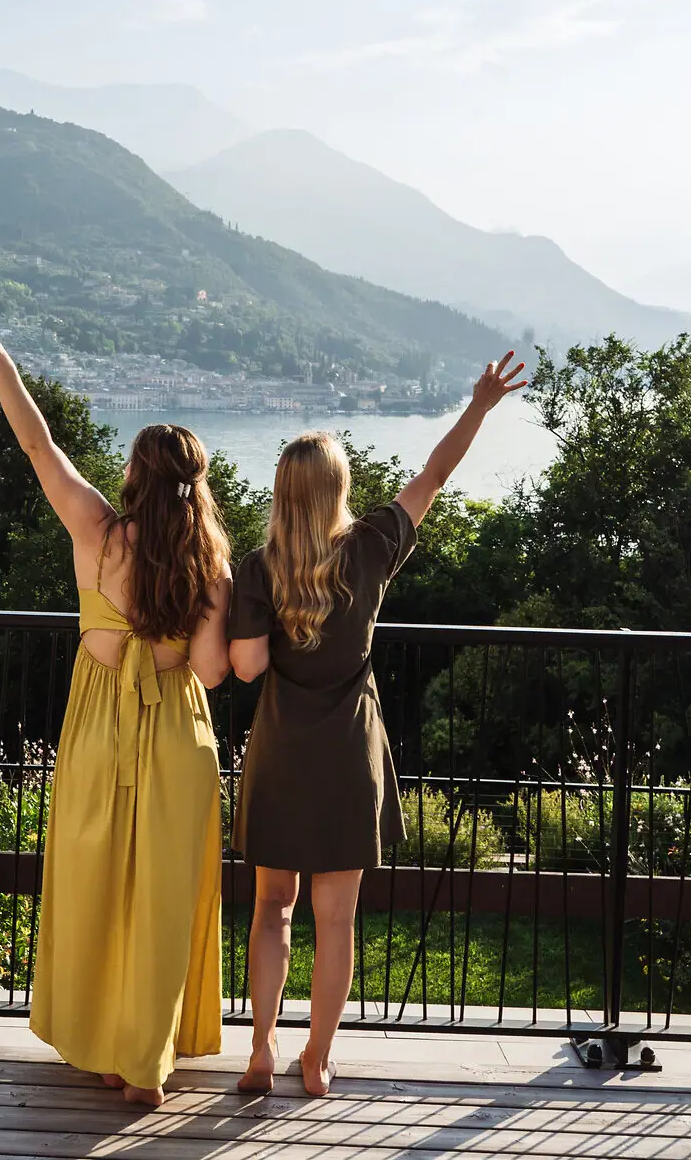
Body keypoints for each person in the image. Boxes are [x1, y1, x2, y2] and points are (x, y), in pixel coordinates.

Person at [228, 351, 527, 1097]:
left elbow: (245, 667)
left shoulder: (257, 569)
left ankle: (260, 1049)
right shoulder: (368, 549)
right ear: (337, 489)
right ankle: (316, 1059)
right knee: (336, 920)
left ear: (280, 494)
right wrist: (480, 405)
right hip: (347, 757)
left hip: (280, 754)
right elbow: (433, 475)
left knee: (271, 908)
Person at [0, 299, 232, 1107]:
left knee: (97, 881)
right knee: (161, 894)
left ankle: (107, 1046)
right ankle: (142, 1060)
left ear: (136, 475)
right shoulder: (214, 564)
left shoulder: (97, 532)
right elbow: (213, 674)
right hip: (177, 727)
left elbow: (37, 444)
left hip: (99, 722)